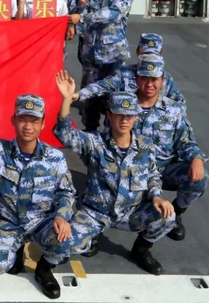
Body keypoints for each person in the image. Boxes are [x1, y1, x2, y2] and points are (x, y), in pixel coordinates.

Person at [54, 71, 176, 275]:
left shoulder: (145, 145)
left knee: (168, 217)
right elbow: (64, 134)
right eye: (119, 114)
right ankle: (88, 239)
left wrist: (157, 196)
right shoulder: (95, 142)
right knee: (62, 245)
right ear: (109, 115)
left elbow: (152, 175)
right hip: (96, 212)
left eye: (129, 115)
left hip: (131, 212)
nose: (124, 120)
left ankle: (141, 249)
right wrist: (66, 100)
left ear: (135, 117)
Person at [0, 98, 74, 300]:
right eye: (23, 119)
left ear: (42, 124)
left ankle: (44, 269)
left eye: (34, 121)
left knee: (68, 240)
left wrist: (61, 216)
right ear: (13, 120)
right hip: (8, 223)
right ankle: (15, 248)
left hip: (40, 222)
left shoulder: (54, 157)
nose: (28, 126)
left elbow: (66, 192)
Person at [129, 57, 208, 241]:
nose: (149, 84)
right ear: (137, 78)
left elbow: (186, 141)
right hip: (132, 172)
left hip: (164, 170)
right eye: (145, 78)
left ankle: (176, 212)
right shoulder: (124, 106)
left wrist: (197, 158)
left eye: (154, 79)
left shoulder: (174, 110)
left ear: (163, 80)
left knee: (201, 177)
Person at [70, 0, 135, 131]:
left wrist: (82, 17)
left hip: (113, 57)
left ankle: (111, 137)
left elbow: (112, 14)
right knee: (89, 100)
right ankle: (90, 135)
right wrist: (82, 4)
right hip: (91, 55)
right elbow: (80, 12)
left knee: (113, 100)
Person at [74, 34, 186, 106]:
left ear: (161, 54)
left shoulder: (166, 78)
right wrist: (79, 95)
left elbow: (180, 103)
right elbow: (101, 86)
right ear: (137, 52)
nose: (149, 58)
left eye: (154, 54)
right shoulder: (123, 74)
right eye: (146, 53)